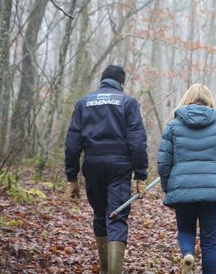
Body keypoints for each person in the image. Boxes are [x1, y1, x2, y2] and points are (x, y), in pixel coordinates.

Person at [64, 65, 148, 274]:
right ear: (121, 83)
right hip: (119, 166)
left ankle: (104, 270)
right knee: (116, 216)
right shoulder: (128, 102)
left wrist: (71, 177)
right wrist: (140, 175)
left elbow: (72, 142)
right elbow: (137, 141)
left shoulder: (84, 103)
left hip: (92, 164)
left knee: (100, 214)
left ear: (102, 80)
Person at [157, 84, 216, 274]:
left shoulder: (172, 127)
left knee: (185, 230)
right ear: (209, 100)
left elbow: (163, 161)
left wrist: (168, 186)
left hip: (183, 188)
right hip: (213, 190)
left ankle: (188, 254)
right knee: (210, 242)